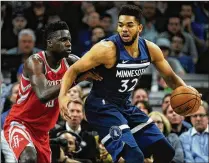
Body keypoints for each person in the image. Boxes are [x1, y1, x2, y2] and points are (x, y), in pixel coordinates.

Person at [59, 5, 200, 163]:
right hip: (101, 107)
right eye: (120, 25)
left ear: (140, 27)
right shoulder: (106, 49)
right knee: (134, 156)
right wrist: (62, 96)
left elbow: (171, 78)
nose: (124, 29)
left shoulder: (151, 49)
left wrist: (188, 92)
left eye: (129, 25)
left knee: (165, 151)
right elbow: (72, 71)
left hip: (125, 105)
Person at [1, 21, 101, 163]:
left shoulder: (71, 61)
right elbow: (43, 94)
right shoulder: (35, 62)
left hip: (43, 132)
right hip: (20, 123)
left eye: (69, 40)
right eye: (63, 40)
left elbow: (96, 73)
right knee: (28, 158)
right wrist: (75, 79)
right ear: (50, 43)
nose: (68, 44)